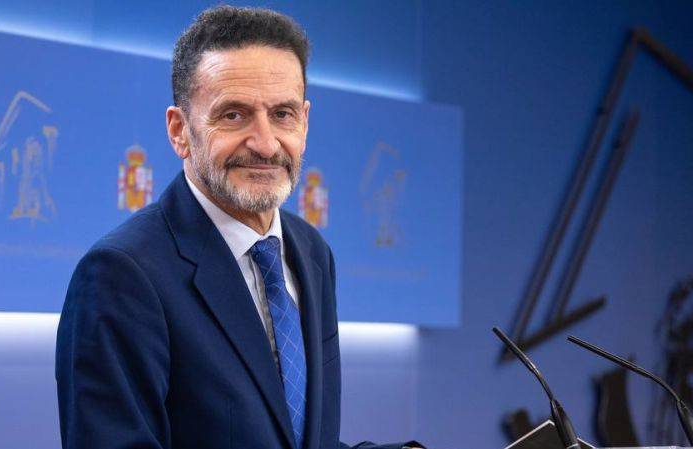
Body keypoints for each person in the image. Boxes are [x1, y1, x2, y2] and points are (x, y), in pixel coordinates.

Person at [55, 6, 424, 449]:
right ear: (180, 131)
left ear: (305, 122)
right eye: (233, 115)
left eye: (283, 114)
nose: (265, 143)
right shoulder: (121, 274)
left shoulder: (311, 253)